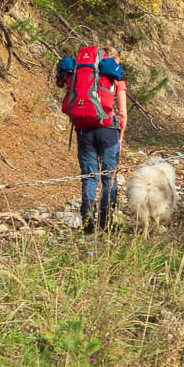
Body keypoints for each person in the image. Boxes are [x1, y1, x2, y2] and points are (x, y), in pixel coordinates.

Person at [56, 48, 128, 232]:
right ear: (113, 60)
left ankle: (87, 222)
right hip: (108, 131)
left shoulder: (82, 73)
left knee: (89, 177)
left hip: (84, 131)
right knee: (109, 177)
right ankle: (106, 222)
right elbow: (123, 113)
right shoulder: (115, 79)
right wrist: (120, 137)